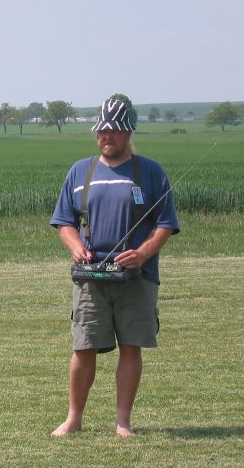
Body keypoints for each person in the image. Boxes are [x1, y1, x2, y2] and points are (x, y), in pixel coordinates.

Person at [49, 98, 180, 437]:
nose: (107, 136)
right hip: (90, 277)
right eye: (102, 130)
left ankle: (123, 421)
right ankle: (73, 418)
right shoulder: (80, 171)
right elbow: (64, 221)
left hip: (137, 277)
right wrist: (76, 247)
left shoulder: (150, 172)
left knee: (131, 345)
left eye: (114, 131)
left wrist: (142, 254)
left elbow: (165, 224)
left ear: (128, 133)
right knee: (83, 346)